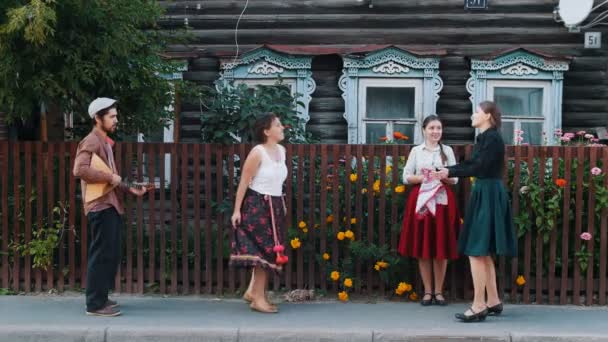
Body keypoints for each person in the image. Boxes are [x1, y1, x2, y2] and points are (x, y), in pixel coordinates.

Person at [434, 101, 517, 322]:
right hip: (486, 191)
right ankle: (493, 300)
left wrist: (449, 171)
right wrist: (448, 171)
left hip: (488, 192)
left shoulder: (491, 138)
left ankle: (479, 305)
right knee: (483, 250)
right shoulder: (488, 137)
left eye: (477, 111)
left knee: (476, 250)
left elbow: (478, 167)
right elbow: (475, 164)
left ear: (488, 115)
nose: (473, 115)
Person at [73, 98, 149, 317]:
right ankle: (95, 304)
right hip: (100, 206)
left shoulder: (104, 141)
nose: (116, 120)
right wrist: (111, 178)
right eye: (112, 116)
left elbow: (112, 179)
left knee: (111, 254)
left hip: (110, 204)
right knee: (102, 254)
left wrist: (131, 189)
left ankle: (101, 297)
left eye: (116, 116)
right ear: (98, 118)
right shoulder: (91, 141)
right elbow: (79, 170)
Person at [398, 115, 460, 306]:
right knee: (423, 245)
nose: (435, 132)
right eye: (432, 128)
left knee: (441, 244)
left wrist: (443, 175)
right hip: (422, 201)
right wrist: (424, 178)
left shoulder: (447, 151)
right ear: (424, 130)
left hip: (442, 202)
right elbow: (405, 176)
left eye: (439, 128)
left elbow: (455, 178)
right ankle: (427, 291)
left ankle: (439, 292)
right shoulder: (416, 151)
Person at [230, 113, 289, 313]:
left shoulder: (282, 151)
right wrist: (237, 210)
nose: (282, 128)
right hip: (258, 205)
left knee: (271, 250)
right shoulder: (258, 152)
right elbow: (244, 181)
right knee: (264, 253)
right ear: (266, 131)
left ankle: (251, 291)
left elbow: (277, 182)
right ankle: (258, 299)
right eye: (278, 125)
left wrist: (281, 202)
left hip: (276, 205)